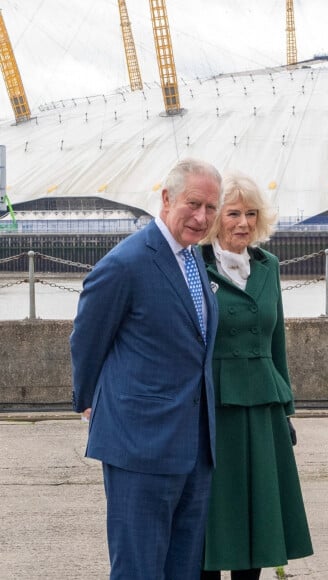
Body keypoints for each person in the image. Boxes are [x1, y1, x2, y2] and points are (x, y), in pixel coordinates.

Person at [70, 158, 222, 580]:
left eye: (211, 208)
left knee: (184, 570)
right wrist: (87, 401)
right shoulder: (126, 263)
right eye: (194, 204)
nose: (202, 217)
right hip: (139, 446)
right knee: (138, 569)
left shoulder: (192, 259)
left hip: (194, 448)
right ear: (166, 198)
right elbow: (86, 340)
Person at [199, 171, 313, 580]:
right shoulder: (196, 266)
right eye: (233, 214)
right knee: (213, 517)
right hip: (213, 407)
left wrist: (287, 410)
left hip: (263, 407)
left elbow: (276, 341)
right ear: (216, 218)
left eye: (250, 214)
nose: (242, 223)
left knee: (259, 516)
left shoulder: (268, 267)